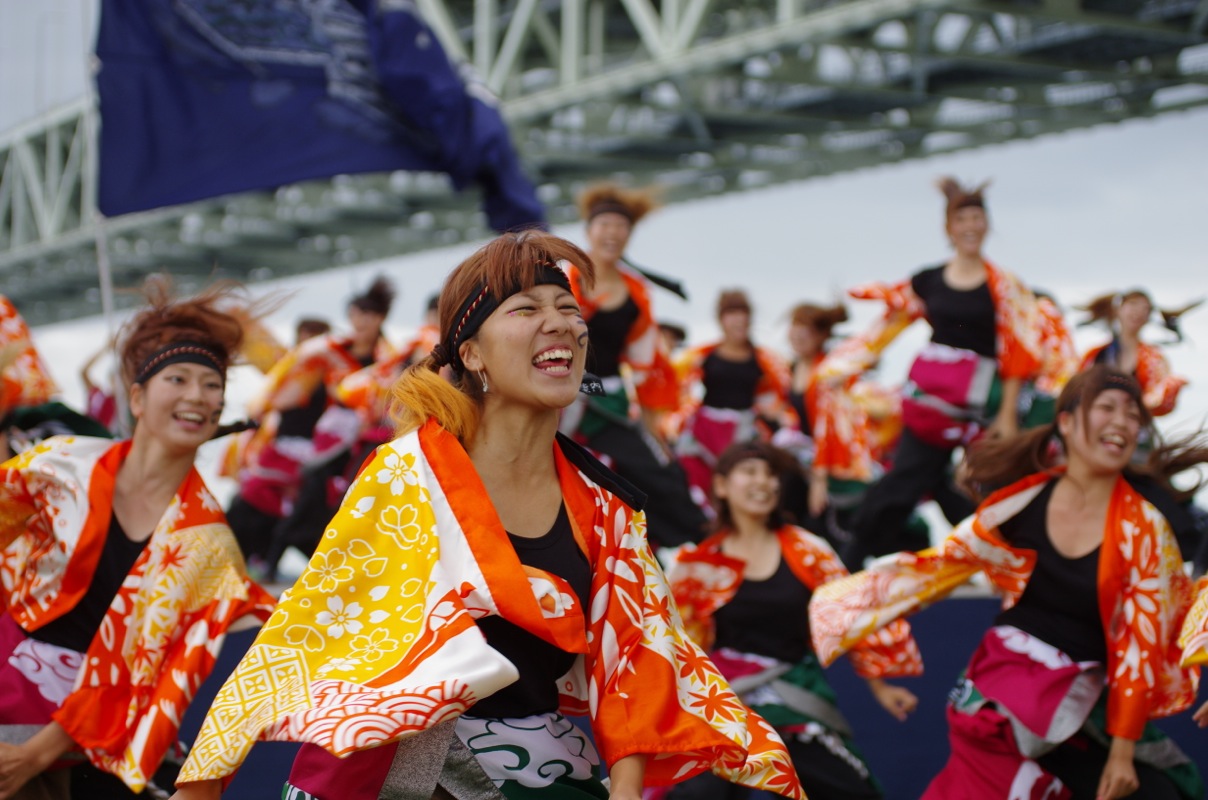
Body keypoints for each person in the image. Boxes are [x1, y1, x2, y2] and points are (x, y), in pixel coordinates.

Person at [169, 231, 804, 800]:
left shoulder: (607, 509)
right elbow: (305, 636)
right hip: (403, 775)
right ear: (471, 354)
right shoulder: (406, 477)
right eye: (526, 309)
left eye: (568, 310)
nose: (560, 324)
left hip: (551, 770)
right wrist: (203, 784)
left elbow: (636, 661)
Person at [811, 365, 1207, 799]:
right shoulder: (1020, 503)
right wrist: (835, 607)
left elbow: (1142, 642)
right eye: (1107, 407)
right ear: (1067, 422)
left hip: (1083, 699)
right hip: (1006, 690)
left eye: (1134, 414)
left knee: (1165, 791)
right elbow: (938, 567)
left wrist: (1123, 751)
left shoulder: (1145, 529)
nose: (1122, 422)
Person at [0, 277, 275, 799]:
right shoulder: (59, 465)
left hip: (84, 738)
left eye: (212, 385)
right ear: (137, 395)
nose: (197, 395)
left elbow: (136, 670)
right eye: (178, 378)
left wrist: (31, 756)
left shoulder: (206, 543)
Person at [667, 440, 921, 800]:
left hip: (795, 693)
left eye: (772, 474)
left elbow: (850, 614)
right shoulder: (697, 564)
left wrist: (882, 686)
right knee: (696, 795)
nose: (765, 482)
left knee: (853, 792)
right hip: (725, 702)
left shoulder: (807, 550)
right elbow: (676, 643)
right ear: (721, 485)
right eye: (751, 471)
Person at [840, 177, 1042, 566]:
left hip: (983, 404)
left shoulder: (1005, 285)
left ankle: (1009, 565)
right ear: (949, 228)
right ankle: (851, 560)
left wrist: (1007, 415)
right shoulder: (928, 280)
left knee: (992, 485)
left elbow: (1018, 349)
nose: (970, 225)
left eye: (977, 217)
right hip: (934, 402)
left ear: (986, 225)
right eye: (961, 218)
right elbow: (892, 321)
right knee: (907, 479)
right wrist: (848, 365)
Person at [562, 182, 706, 548]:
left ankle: (683, 546)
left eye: (621, 226)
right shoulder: (561, 278)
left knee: (658, 472)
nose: (612, 233)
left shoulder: (637, 291)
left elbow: (646, 364)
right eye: (604, 225)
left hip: (605, 397)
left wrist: (653, 423)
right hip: (552, 389)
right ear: (588, 230)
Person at [225, 277, 397, 568]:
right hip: (322, 438)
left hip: (365, 441)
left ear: (379, 318)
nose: (358, 322)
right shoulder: (327, 351)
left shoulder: (390, 359)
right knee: (265, 494)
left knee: (319, 498)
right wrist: (263, 407)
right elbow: (287, 378)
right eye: (354, 314)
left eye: (366, 315)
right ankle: (261, 557)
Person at [672, 290, 793, 510]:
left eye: (742, 313)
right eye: (731, 313)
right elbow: (677, 390)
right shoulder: (701, 356)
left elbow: (777, 399)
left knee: (740, 479)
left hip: (744, 429)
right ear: (721, 319)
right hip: (705, 429)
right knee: (695, 480)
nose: (738, 319)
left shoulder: (767, 361)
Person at [1078, 289, 1196, 417]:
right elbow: (1077, 389)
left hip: (1136, 424)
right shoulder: (1095, 354)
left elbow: (1158, 400)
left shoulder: (1154, 358)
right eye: (1133, 304)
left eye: (1145, 308)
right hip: (1096, 421)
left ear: (1148, 317)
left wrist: (1171, 387)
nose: (1138, 311)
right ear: (1118, 310)